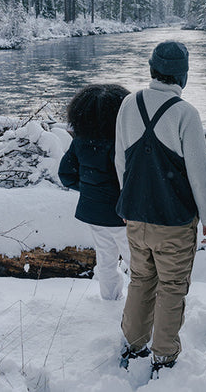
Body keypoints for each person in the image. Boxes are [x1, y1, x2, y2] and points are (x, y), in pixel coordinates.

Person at [115, 40, 206, 374]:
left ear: (152, 69)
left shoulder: (129, 104)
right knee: (171, 288)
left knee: (140, 280)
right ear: (182, 76)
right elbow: (199, 175)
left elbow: (121, 161)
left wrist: (127, 201)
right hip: (173, 222)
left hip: (136, 217)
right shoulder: (186, 113)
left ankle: (132, 345)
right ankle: (164, 356)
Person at [58, 84, 131, 301]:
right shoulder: (121, 144)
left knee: (106, 259)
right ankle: (142, 307)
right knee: (136, 263)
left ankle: (109, 299)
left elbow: (66, 176)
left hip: (94, 214)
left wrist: (90, 189)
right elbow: (129, 180)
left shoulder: (80, 143)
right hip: (122, 216)